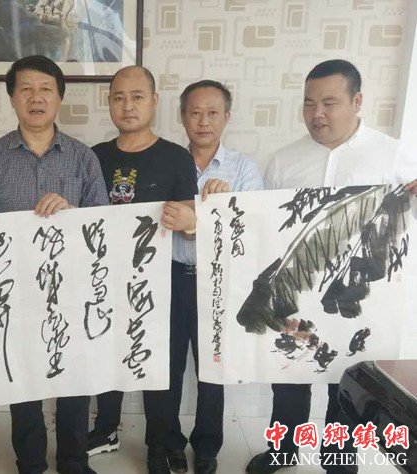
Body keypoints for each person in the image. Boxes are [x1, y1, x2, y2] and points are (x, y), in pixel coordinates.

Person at [246, 59, 417, 474]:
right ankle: (283, 449)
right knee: (289, 374)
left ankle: (339, 460)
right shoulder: (284, 160)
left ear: (357, 102)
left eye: (329, 103)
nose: (316, 113)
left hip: (360, 294)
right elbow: (268, 226)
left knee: (347, 382)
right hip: (299, 289)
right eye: (309, 104)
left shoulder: (394, 154)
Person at [0, 55, 108, 474]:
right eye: (26, 89)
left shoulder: (83, 158)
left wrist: (72, 214)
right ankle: (30, 463)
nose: (36, 97)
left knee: (74, 382)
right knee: (24, 383)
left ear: (59, 98)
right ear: (12, 98)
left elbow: (103, 227)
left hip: (71, 290)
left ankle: (73, 461)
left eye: (45, 89)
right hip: (16, 292)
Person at [86, 65, 198, 474]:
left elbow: (191, 217)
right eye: (118, 97)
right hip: (105, 280)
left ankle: (158, 443)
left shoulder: (176, 157)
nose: (127, 105)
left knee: (159, 365)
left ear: (154, 101)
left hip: (160, 282)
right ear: (109, 103)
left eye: (136, 96)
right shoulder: (94, 156)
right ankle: (106, 428)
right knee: (106, 354)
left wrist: (188, 220)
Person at [167, 80, 264, 474]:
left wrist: (214, 211)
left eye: (212, 113)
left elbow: (251, 230)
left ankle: (207, 447)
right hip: (170, 277)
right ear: (182, 117)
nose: (203, 121)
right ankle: (169, 442)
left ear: (227, 116)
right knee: (168, 368)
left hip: (219, 283)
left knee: (213, 369)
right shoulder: (167, 162)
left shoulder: (244, 169)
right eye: (195, 113)